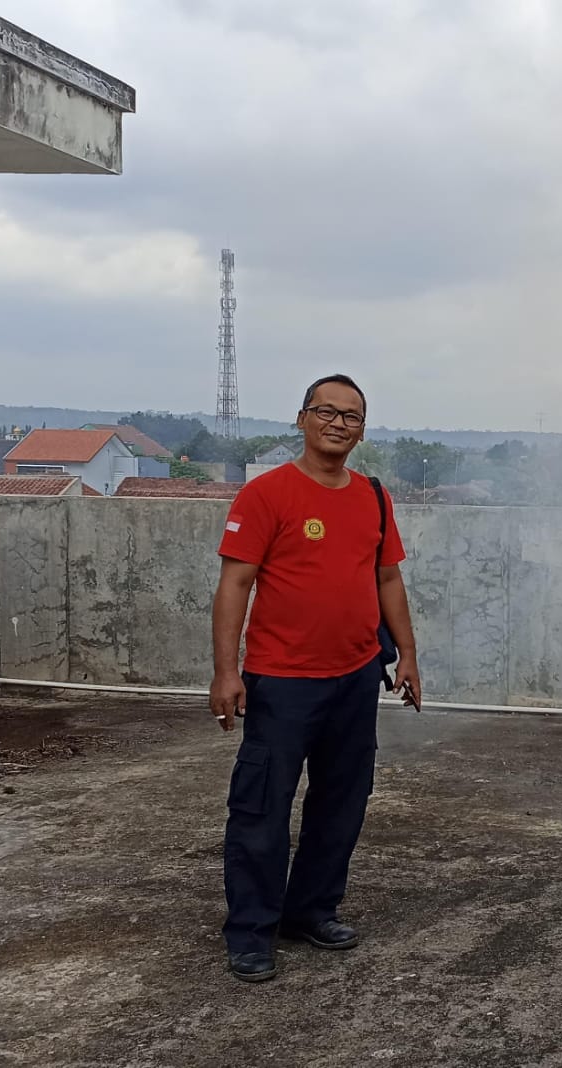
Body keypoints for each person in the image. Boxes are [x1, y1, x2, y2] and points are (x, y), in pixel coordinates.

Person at [209, 374, 422, 983]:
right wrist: (227, 672)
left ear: (362, 429)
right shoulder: (265, 494)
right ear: (301, 419)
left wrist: (405, 653)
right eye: (326, 411)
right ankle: (251, 931)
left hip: (356, 676)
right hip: (281, 681)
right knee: (261, 807)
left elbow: (388, 581)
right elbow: (235, 585)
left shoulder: (373, 497)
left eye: (352, 416)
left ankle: (310, 910)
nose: (339, 423)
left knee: (342, 803)